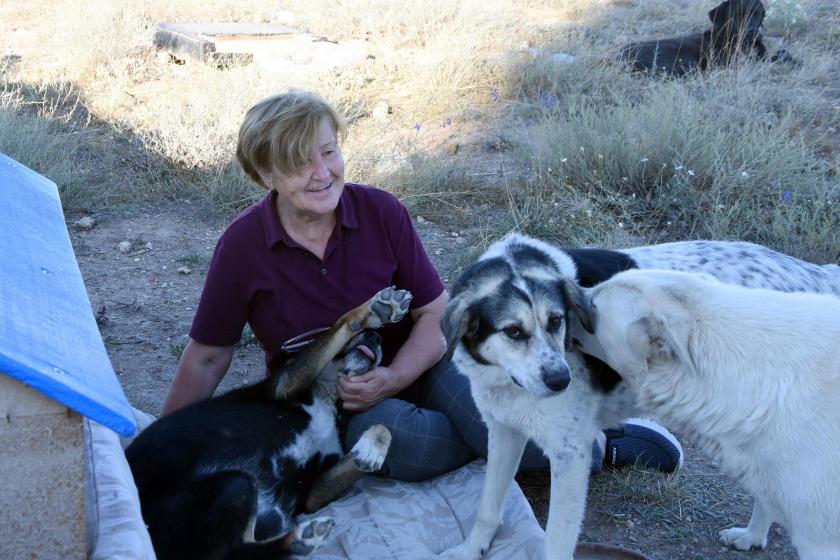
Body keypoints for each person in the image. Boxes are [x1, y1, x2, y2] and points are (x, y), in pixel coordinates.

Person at [162, 89, 682, 481]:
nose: (321, 173)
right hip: (337, 402)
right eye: (298, 163)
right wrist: (161, 445)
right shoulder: (242, 247)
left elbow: (437, 315)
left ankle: (603, 445)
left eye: (328, 151)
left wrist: (394, 376)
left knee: (494, 419)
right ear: (264, 175)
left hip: (422, 362)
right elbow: (208, 358)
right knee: (399, 443)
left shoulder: (380, 212)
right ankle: (508, 441)